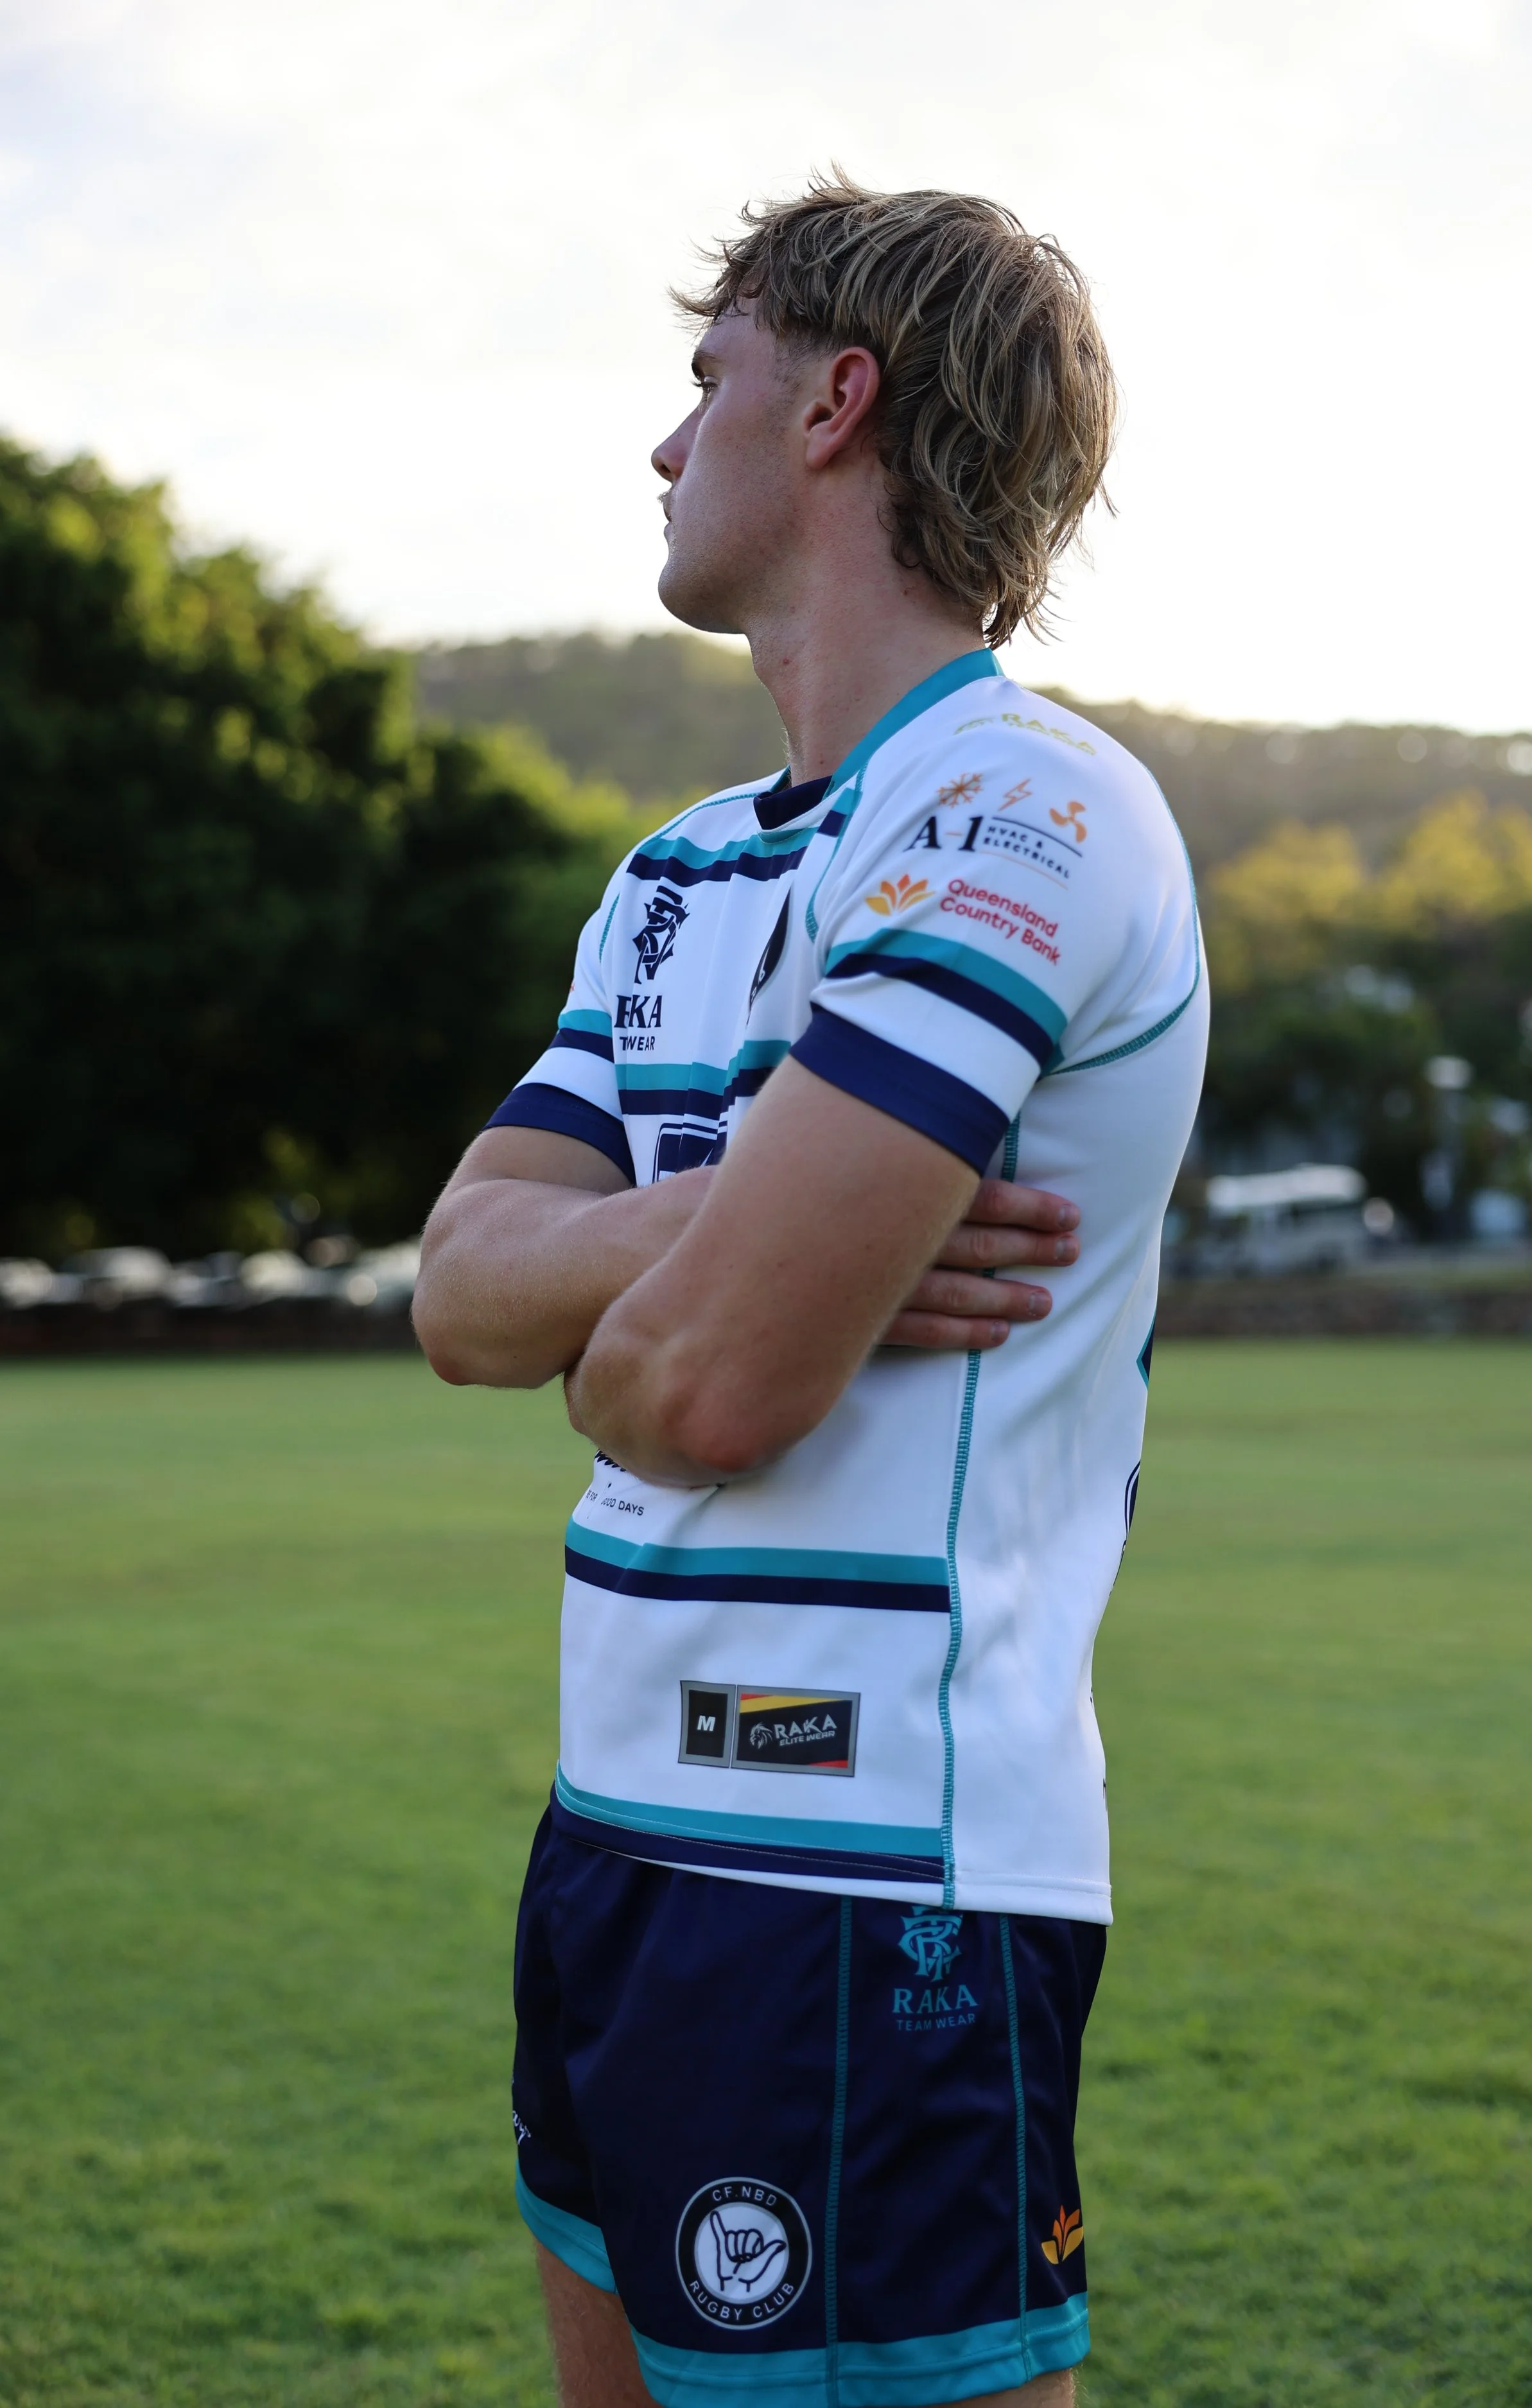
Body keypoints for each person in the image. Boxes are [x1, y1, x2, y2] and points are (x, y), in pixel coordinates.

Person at [413, 175, 1206, 2408]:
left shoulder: (1016, 813)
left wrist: (640, 1294)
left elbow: (696, 1392)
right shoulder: (674, 874)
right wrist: (737, 1210)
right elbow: (456, 1295)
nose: (669, 444)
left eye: (711, 383)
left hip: (864, 1865)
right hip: (612, 1824)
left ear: (838, 401)